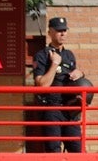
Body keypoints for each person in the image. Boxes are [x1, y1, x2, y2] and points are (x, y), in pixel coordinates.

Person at [30, 16, 86, 153]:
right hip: (51, 108)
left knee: (77, 149)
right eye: (59, 31)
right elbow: (42, 85)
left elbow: (75, 79)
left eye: (65, 31)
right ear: (50, 32)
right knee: (53, 150)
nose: (63, 34)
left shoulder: (69, 55)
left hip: (69, 108)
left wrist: (80, 73)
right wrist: (54, 64)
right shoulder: (42, 55)